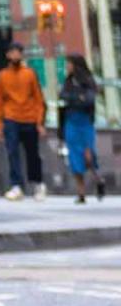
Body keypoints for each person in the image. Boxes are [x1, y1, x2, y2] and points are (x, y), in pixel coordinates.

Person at [0, 42, 47, 202]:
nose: (15, 55)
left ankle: (37, 183)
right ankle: (16, 185)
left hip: (29, 118)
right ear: (8, 55)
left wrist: (39, 122)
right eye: (12, 52)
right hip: (11, 118)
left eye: (18, 52)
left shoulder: (29, 74)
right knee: (12, 152)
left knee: (33, 154)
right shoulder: (2, 75)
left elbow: (38, 99)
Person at [60, 55, 102, 204]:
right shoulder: (68, 82)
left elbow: (89, 100)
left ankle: (98, 179)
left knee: (88, 155)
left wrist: (74, 99)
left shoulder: (88, 81)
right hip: (71, 121)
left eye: (69, 64)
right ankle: (81, 192)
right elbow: (63, 97)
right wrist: (78, 98)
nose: (67, 67)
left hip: (85, 122)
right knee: (74, 156)